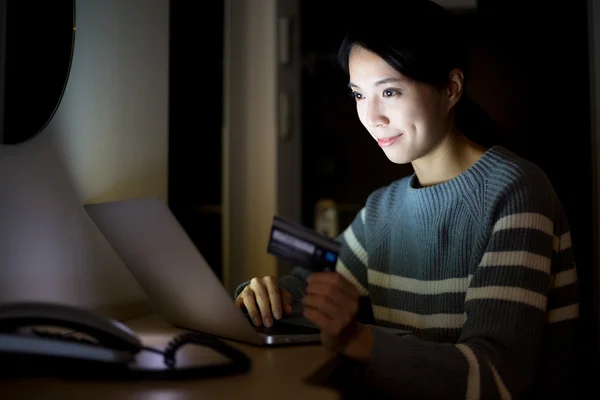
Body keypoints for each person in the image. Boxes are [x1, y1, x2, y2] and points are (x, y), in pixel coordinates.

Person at [234, 0, 579, 398]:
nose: (371, 116)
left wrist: (357, 340)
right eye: (359, 95)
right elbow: (310, 288)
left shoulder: (516, 191)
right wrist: (262, 295)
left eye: (391, 91)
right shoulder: (382, 209)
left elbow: (497, 378)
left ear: (451, 89)